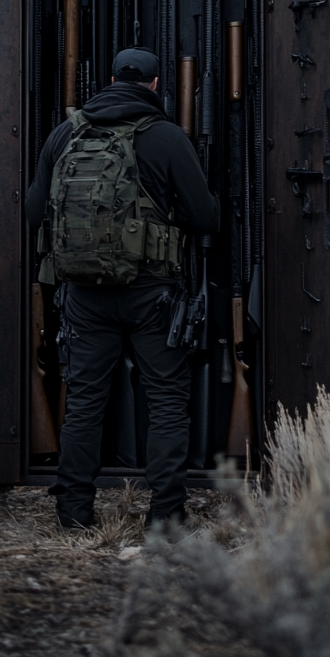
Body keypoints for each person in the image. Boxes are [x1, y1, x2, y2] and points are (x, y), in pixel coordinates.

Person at [25, 47, 218, 529]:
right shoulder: (167, 138)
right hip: (153, 291)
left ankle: (72, 515)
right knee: (167, 401)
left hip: (84, 295)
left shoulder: (65, 133)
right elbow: (204, 218)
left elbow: (32, 213)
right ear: (155, 85)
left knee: (86, 400)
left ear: (110, 79)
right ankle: (166, 519)